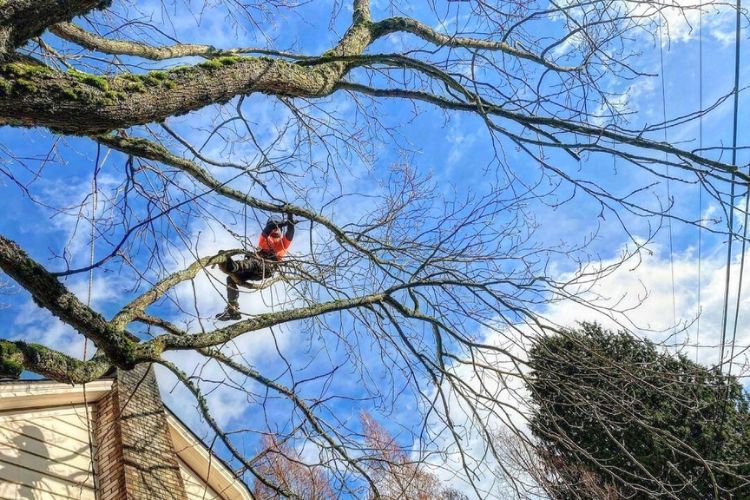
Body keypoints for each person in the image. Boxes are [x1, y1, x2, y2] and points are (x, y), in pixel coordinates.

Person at [215, 214, 295, 321]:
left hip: (266, 269)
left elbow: (290, 233)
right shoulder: (265, 238)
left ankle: (235, 266)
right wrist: (280, 224)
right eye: (274, 227)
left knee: (255, 261)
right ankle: (232, 309)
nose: (275, 230)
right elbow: (268, 228)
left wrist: (289, 219)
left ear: (280, 230)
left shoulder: (282, 243)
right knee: (231, 278)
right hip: (252, 270)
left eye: (278, 228)